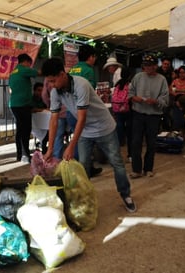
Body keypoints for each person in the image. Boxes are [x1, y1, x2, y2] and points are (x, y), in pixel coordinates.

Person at [41, 57, 136, 213]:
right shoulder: (55, 92)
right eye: (48, 82)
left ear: (62, 74)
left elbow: (82, 117)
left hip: (104, 128)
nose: (51, 85)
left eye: (52, 81)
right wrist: (50, 148)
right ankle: (83, 199)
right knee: (83, 166)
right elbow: (53, 120)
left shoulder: (81, 85)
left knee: (117, 162)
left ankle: (126, 195)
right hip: (85, 131)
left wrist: (71, 146)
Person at [128, 54, 169, 178]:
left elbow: (165, 98)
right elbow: (130, 93)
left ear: (156, 66)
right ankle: (136, 169)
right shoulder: (138, 77)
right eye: (145, 65)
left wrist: (156, 101)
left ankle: (148, 168)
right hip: (138, 113)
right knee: (136, 142)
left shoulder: (162, 79)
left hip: (154, 115)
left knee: (151, 143)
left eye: (150, 65)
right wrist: (135, 98)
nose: (148, 68)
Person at [69, 44, 102, 177]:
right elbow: (89, 92)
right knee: (84, 142)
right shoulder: (89, 70)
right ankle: (82, 170)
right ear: (91, 57)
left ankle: (86, 167)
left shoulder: (73, 69)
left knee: (76, 139)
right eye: (94, 57)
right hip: (82, 111)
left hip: (71, 110)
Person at [9, 53, 39, 163]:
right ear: (26, 62)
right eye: (29, 64)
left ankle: (19, 154)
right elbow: (39, 73)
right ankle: (26, 155)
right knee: (25, 130)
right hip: (23, 105)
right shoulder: (23, 69)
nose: (29, 66)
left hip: (14, 104)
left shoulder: (13, 72)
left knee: (20, 130)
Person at [111, 67, 132, 159]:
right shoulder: (130, 85)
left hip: (117, 110)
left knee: (119, 130)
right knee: (130, 133)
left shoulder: (117, 85)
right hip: (128, 110)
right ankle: (130, 154)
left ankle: (118, 154)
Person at [157, 58, 174, 131]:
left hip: (167, 94)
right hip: (158, 93)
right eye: (165, 64)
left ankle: (165, 128)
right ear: (162, 63)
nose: (166, 65)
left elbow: (171, 84)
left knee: (166, 112)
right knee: (159, 112)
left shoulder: (170, 72)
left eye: (168, 64)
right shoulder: (158, 71)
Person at [31, 82, 49, 154]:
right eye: (38, 90)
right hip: (36, 122)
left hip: (45, 121)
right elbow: (32, 109)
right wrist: (42, 110)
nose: (40, 92)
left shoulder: (44, 99)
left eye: (42, 90)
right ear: (34, 91)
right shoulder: (31, 99)